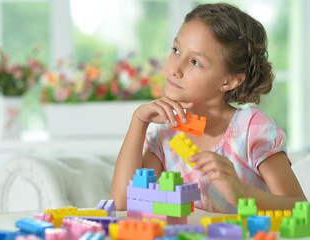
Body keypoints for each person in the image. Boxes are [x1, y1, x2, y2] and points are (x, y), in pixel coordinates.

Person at [109, 3, 307, 213]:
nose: (175, 68)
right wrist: (138, 122)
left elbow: (301, 208)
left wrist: (242, 192)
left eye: (195, 62)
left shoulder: (252, 130)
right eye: (176, 50)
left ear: (229, 81)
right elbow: (123, 203)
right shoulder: (166, 133)